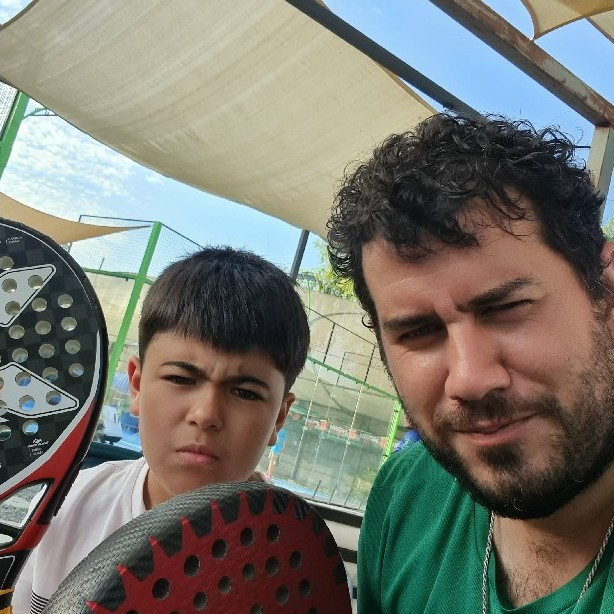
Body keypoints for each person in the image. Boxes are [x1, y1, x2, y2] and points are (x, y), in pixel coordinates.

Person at [327, 113, 614, 613]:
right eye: (418, 332)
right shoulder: (408, 494)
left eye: (506, 308)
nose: (470, 379)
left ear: (605, 292)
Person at [13, 246, 310, 613]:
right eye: (180, 378)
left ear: (279, 417)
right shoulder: (68, 505)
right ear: (137, 386)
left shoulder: (302, 566)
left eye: (245, 392)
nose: (206, 414)